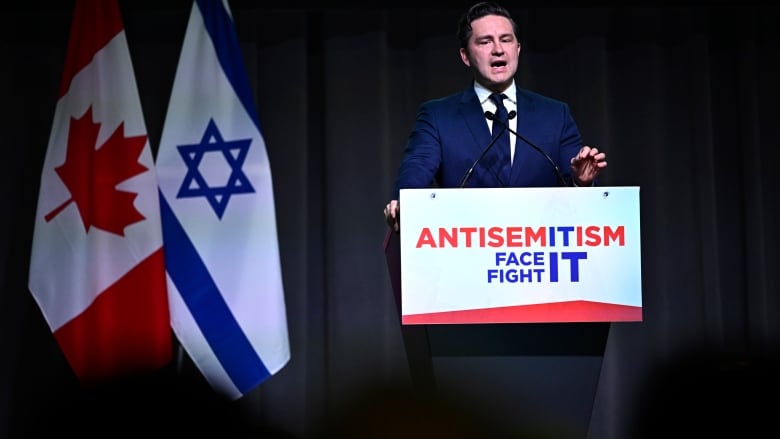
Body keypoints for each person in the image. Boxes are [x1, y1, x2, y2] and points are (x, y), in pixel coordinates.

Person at [383, 1, 607, 232]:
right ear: (465, 56)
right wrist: (405, 204)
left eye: (506, 40)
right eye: (485, 41)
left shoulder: (555, 115)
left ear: (518, 49)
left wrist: (582, 180)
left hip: (539, 253)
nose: (498, 49)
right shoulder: (438, 116)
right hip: (465, 249)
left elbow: (580, 191)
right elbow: (416, 168)